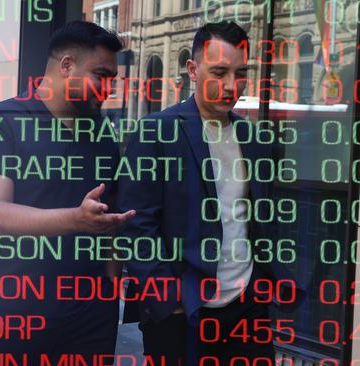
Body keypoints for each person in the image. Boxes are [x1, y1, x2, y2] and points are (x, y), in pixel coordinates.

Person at [118, 21, 305, 366]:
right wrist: (168, 296)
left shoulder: (254, 138)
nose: (231, 86)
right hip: (183, 308)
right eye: (219, 72)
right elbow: (134, 224)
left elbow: (259, 218)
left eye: (240, 73)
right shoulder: (157, 131)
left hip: (247, 308)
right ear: (192, 68)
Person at [0, 21, 135, 363]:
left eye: (112, 79)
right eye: (101, 75)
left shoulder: (102, 135)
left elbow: (110, 219)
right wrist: (75, 219)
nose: (108, 88)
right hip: (10, 315)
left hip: (89, 318)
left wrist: (110, 294)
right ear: (66, 65)